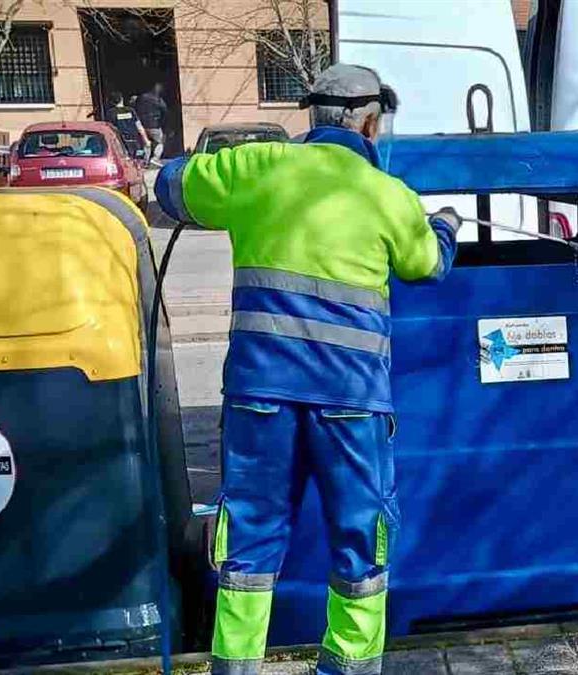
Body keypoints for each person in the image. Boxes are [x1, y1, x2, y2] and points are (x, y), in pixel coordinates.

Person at [154, 64, 461, 675]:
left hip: (259, 395)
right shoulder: (385, 195)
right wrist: (445, 225)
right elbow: (429, 265)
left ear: (312, 117)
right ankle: (347, 668)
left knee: (249, 537)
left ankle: (237, 667)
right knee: (360, 538)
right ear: (371, 123)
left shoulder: (256, 168)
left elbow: (169, 186)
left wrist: (214, 174)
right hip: (351, 401)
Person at [106, 91, 149, 162]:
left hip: (121, 142)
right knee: (138, 159)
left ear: (111, 102)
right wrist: (146, 140)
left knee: (126, 161)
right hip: (135, 140)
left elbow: (109, 129)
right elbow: (139, 127)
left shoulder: (110, 113)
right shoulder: (130, 110)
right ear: (121, 99)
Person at [134, 82, 169, 165]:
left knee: (146, 143)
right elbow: (165, 111)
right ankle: (155, 158)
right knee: (160, 142)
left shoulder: (141, 97)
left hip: (142, 125)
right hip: (154, 125)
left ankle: (145, 161)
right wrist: (162, 124)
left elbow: (135, 107)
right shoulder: (158, 99)